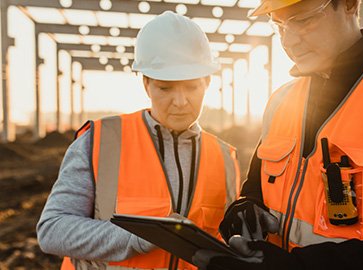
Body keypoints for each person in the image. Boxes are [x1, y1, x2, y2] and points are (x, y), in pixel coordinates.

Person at [193, 0, 363, 269]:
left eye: (302, 20)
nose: (289, 42)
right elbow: (257, 186)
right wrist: (246, 207)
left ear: (350, 4)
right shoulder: (281, 101)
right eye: (279, 26)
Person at [37, 11, 240, 270]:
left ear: (207, 82)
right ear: (146, 84)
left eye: (191, 87)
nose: (180, 102)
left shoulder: (224, 156)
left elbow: (223, 238)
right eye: (165, 88)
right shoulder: (100, 141)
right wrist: (138, 237)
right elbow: (52, 230)